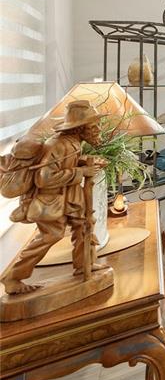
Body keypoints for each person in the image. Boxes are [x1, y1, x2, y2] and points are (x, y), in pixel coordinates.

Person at [0, 101, 109, 295]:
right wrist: (81, 171)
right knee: (52, 235)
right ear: (80, 128)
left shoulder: (72, 143)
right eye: (93, 126)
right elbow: (44, 178)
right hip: (51, 201)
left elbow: (64, 163)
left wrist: (85, 162)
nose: (97, 129)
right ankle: (13, 277)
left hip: (69, 198)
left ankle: (85, 265)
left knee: (84, 225)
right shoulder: (59, 145)